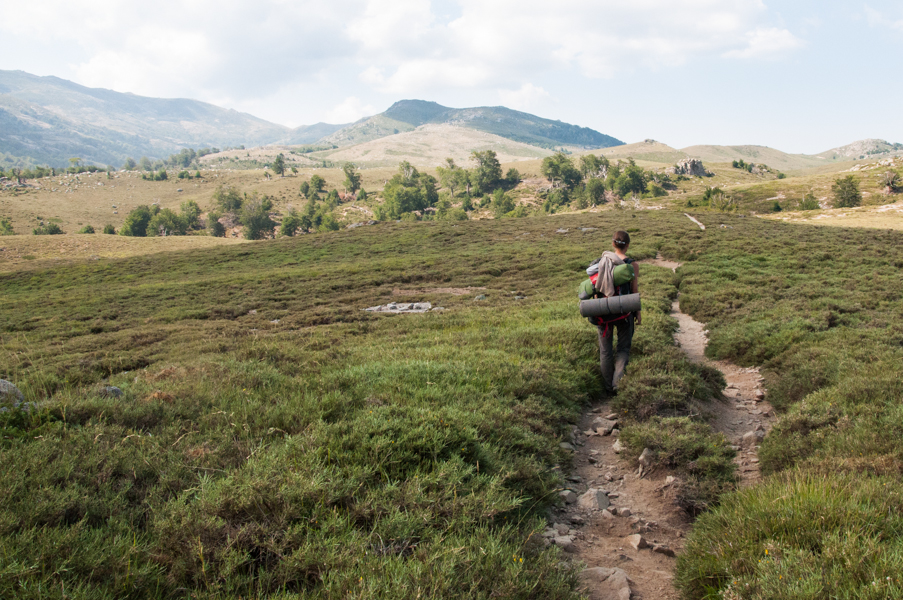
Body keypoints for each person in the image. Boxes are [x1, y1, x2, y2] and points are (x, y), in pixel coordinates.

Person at [596, 231, 640, 393]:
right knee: (623, 349)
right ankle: (618, 385)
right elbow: (634, 292)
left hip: (604, 312)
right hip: (624, 312)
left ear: (613, 244)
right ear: (627, 245)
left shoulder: (601, 262)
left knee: (605, 351)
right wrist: (638, 313)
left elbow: (596, 289)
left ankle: (607, 388)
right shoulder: (632, 265)